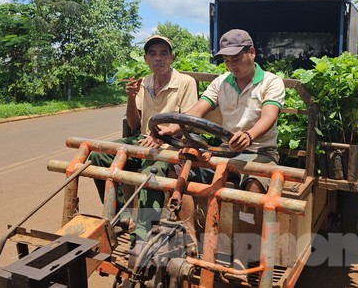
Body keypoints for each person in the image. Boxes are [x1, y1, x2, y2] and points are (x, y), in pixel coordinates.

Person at [158, 29, 285, 280]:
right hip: (226, 151)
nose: (231, 65)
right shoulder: (221, 82)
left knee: (252, 190)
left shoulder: (271, 81)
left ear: (251, 52)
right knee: (179, 172)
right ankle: (190, 244)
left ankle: (243, 254)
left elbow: (270, 116)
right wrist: (171, 126)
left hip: (260, 151)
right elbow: (198, 110)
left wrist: (249, 135)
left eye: (236, 59)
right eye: (226, 61)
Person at [88, 35, 198, 247]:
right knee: (98, 155)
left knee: (151, 173)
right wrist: (131, 98)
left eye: (163, 53)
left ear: (172, 58)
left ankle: (142, 235)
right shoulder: (145, 82)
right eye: (153, 54)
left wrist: (161, 135)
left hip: (172, 144)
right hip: (144, 139)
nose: (158, 59)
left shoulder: (185, 82)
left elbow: (188, 122)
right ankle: (122, 213)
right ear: (146, 59)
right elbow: (134, 122)